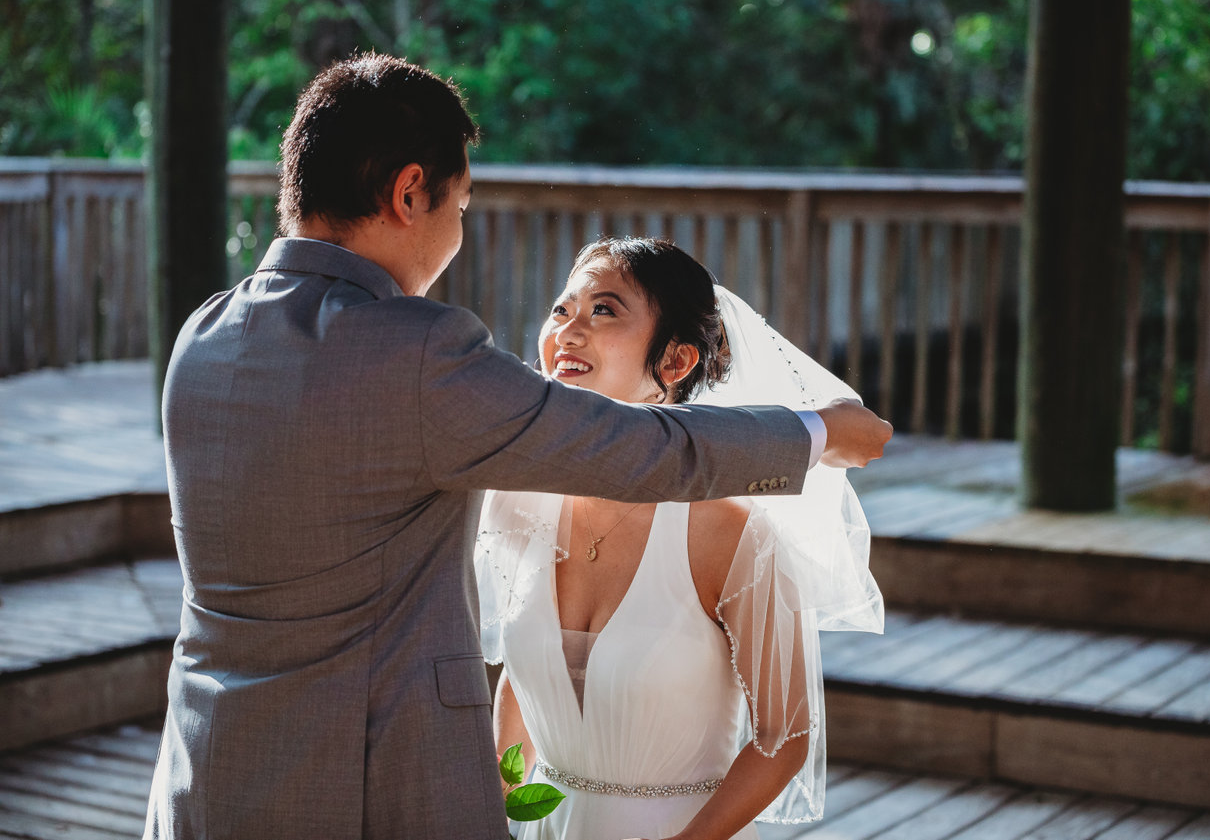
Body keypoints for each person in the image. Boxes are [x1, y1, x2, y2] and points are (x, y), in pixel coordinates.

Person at [144, 52, 891, 840]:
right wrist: (816, 431)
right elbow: (632, 447)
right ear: (408, 193)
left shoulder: (203, 335)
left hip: (204, 771)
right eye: (458, 206)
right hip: (364, 789)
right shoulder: (417, 352)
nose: (458, 231)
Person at [478, 238, 887, 840]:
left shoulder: (731, 532)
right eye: (563, 310)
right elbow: (525, 674)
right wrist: (499, 809)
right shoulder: (519, 498)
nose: (568, 332)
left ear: (675, 363)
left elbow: (785, 736)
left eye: (605, 311)